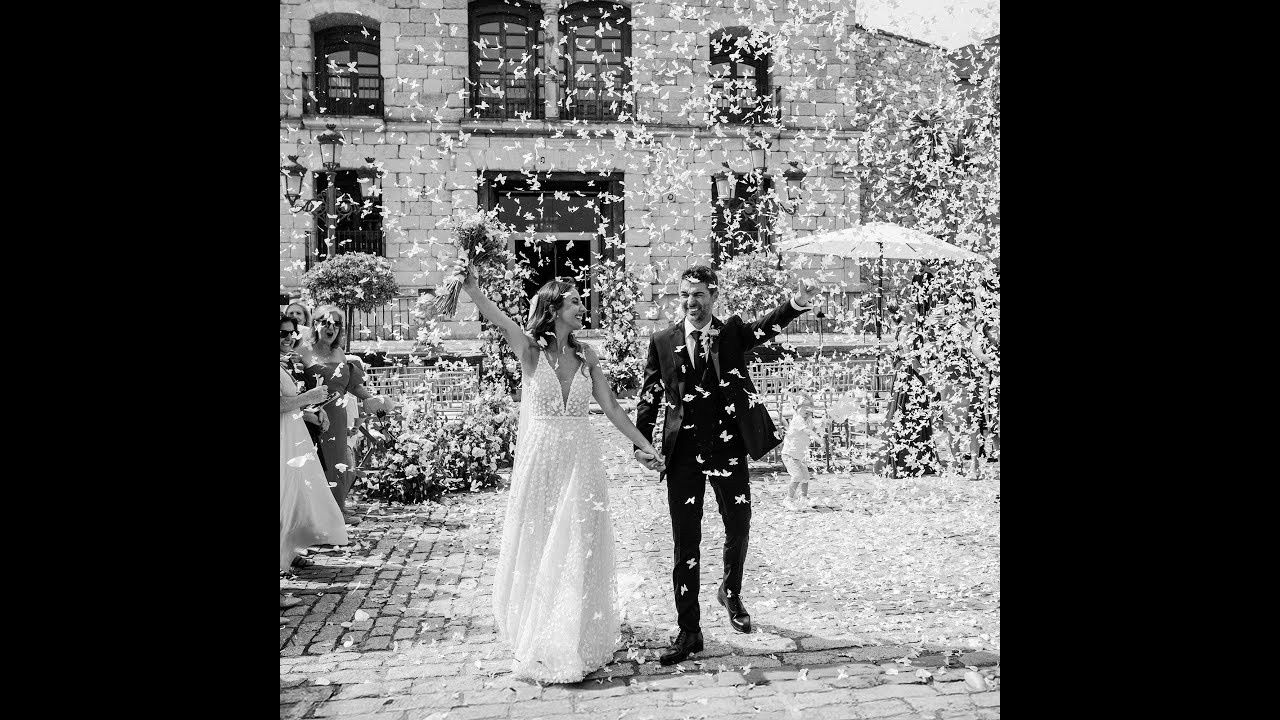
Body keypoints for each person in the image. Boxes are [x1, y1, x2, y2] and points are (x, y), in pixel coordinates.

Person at [462, 268, 665, 684]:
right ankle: (541, 628)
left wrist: (645, 445)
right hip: (543, 460)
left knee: (579, 540)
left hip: (581, 457)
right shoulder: (530, 349)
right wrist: (472, 289)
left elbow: (610, 407)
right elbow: (496, 317)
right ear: (554, 308)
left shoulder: (588, 354)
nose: (580, 306)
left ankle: (575, 632)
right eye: (573, 301)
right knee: (543, 538)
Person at [634, 265, 818, 666]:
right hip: (681, 454)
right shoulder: (662, 340)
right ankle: (689, 631)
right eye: (685, 293)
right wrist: (641, 444)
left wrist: (796, 304)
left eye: (699, 294)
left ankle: (730, 591)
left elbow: (765, 327)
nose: (691, 301)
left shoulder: (730, 332)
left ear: (713, 297)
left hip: (727, 448)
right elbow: (649, 395)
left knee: (739, 523)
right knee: (686, 540)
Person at [297, 304, 388, 525]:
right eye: (326, 322)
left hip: (338, 418)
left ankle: (338, 509)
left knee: (338, 461)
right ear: (315, 324)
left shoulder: (338, 352)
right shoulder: (303, 351)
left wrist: (370, 398)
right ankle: (316, 515)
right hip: (313, 418)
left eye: (337, 324)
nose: (331, 328)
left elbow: (352, 384)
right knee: (318, 463)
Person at [280, 314, 348, 589]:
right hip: (284, 439)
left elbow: (288, 403)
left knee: (295, 493)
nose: (288, 338)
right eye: (282, 333)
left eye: (291, 333)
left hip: (293, 436)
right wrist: (310, 398)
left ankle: (289, 552)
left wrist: (309, 412)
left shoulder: (285, 363)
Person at [780, 390, 819, 511]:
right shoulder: (797, 420)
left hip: (800, 455)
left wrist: (823, 424)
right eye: (805, 410)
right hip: (790, 455)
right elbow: (807, 431)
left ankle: (803, 497)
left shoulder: (808, 420)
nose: (808, 413)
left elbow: (814, 428)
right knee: (797, 476)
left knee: (805, 477)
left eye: (809, 410)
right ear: (797, 409)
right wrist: (818, 439)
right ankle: (788, 499)